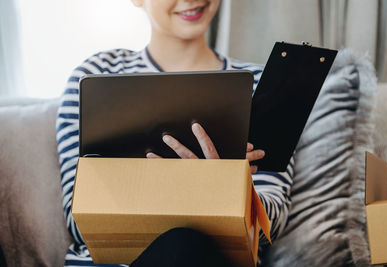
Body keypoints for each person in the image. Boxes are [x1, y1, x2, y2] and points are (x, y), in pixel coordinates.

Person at [56, 0, 294, 266]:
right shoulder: (96, 76)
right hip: (114, 262)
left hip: (217, 259)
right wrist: (188, 189)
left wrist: (227, 187)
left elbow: (272, 225)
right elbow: (78, 219)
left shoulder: (263, 83)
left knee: (187, 243)